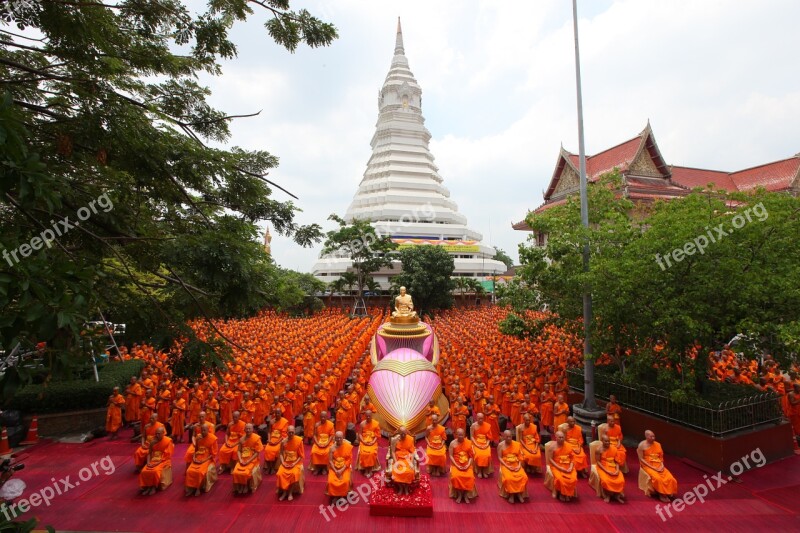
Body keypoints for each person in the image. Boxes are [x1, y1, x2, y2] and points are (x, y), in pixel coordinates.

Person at [637, 430, 678, 503]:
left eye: (654, 436)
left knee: (670, 478)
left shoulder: (658, 444)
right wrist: (653, 468)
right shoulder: (641, 445)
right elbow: (641, 459)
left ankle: (668, 491)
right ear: (646, 437)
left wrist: (662, 466)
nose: (653, 438)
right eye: (651, 436)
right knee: (657, 478)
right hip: (648, 466)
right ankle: (661, 494)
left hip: (659, 465)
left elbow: (661, 457)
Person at [184, 423, 218, 497]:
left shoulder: (213, 439)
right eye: (202, 430)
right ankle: (190, 488)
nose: (203, 432)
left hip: (207, 458)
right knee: (189, 471)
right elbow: (196, 450)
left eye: (204, 430)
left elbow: (213, 454)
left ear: (208, 430)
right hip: (198, 457)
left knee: (199, 472)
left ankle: (198, 488)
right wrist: (194, 458)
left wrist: (204, 460)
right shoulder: (198, 437)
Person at [138, 426, 174, 496]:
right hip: (153, 459)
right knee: (144, 471)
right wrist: (148, 462)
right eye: (156, 433)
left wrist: (155, 464)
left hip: (163, 460)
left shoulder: (168, 441)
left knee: (155, 471)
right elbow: (149, 453)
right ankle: (147, 487)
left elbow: (167, 456)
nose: (157, 435)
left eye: (159, 434)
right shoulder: (153, 441)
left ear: (163, 433)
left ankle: (153, 487)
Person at [545, 430, 577, 502]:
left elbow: (572, 458)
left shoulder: (568, 446)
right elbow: (550, 459)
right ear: (556, 437)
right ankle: (562, 494)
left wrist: (571, 467)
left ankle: (567, 494)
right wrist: (560, 468)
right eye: (560, 437)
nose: (561, 439)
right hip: (556, 466)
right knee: (560, 479)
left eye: (563, 437)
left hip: (568, 465)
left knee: (573, 478)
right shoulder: (552, 447)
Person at [497, 430, 528, 504]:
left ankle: (519, 493)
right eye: (507, 437)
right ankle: (511, 495)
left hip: (516, 463)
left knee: (524, 477)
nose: (509, 438)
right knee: (509, 478)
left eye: (510, 436)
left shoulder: (517, 444)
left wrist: (519, 466)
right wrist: (507, 466)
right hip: (506, 464)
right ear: (503, 437)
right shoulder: (500, 445)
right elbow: (500, 457)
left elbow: (520, 457)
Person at [232, 423, 263, 494]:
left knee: (245, 472)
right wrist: (240, 460)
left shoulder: (256, 438)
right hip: (242, 459)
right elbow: (239, 450)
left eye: (250, 429)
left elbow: (257, 452)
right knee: (236, 472)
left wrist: (248, 461)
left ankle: (245, 485)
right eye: (247, 429)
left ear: (252, 430)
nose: (248, 430)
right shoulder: (242, 439)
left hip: (252, 459)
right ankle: (240, 486)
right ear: (244, 429)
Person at [593, 434, 625, 503]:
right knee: (606, 480)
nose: (608, 443)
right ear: (602, 441)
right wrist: (606, 471)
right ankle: (608, 495)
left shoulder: (613, 448)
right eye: (606, 441)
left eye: (609, 441)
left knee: (620, 479)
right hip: (602, 467)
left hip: (613, 466)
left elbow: (616, 461)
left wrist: (617, 470)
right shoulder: (598, 450)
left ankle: (617, 494)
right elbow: (598, 462)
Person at [276, 426, 305, 501]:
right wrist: (282, 463)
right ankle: (284, 492)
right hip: (285, 462)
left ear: (294, 432)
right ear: (287, 433)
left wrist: (294, 463)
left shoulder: (299, 440)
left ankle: (290, 493)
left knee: (293, 474)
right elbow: (281, 454)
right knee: (280, 473)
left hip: (296, 463)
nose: (291, 434)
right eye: (289, 432)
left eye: (292, 432)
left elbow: (301, 456)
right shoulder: (283, 442)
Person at [448, 428, 477, 504]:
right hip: (456, 464)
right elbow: (451, 456)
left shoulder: (468, 443)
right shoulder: (452, 443)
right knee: (455, 477)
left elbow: (471, 456)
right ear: (456, 435)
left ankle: (465, 494)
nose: (460, 436)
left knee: (470, 477)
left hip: (466, 464)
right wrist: (456, 465)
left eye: (462, 435)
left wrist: (468, 465)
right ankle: (460, 494)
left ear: (464, 435)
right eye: (459, 435)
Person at [389, 426, 417, 495]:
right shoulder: (395, 440)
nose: (403, 435)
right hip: (398, 458)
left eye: (404, 433)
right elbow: (392, 451)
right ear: (399, 433)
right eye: (402, 434)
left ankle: (406, 487)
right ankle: (401, 487)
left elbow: (413, 452)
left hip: (407, 458)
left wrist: (411, 462)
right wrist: (396, 462)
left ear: (406, 432)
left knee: (409, 471)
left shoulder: (410, 439)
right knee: (397, 471)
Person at [326, 431, 353, 504]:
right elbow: (330, 461)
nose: (338, 440)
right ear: (335, 438)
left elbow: (348, 460)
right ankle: (335, 495)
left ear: (343, 438)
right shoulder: (332, 448)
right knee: (331, 481)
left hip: (344, 467)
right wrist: (336, 471)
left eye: (340, 438)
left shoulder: (348, 446)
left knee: (345, 480)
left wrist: (341, 470)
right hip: (334, 468)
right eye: (337, 438)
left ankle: (341, 496)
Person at [264, 407, 289, 475]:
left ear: (281, 413)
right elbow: (269, 432)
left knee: (276, 450)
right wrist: (269, 440)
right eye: (276, 413)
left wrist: (276, 442)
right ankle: (269, 467)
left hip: (280, 440)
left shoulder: (285, 421)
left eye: (278, 413)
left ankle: (273, 467)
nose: (277, 414)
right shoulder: (272, 421)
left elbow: (284, 435)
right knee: (267, 449)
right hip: (272, 439)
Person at [356, 410, 382, 476]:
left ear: (371, 416)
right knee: (364, 453)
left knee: (371, 453)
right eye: (367, 416)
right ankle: (365, 469)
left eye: (369, 416)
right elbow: (360, 434)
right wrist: (363, 441)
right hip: (364, 441)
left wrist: (372, 442)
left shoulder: (376, 423)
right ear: (365, 416)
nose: (368, 417)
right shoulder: (362, 424)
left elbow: (377, 435)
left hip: (372, 442)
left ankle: (370, 469)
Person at [310, 411, 335, 475]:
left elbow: (332, 435)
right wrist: (317, 443)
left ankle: (324, 467)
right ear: (319, 417)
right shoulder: (317, 425)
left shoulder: (330, 424)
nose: (323, 418)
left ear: (327, 417)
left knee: (327, 452)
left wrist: (327, 443)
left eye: (324, 417)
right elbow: (314, 435)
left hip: (328, 442)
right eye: (321, 417)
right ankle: (317, 467)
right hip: (319, 441)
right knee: (314, 451)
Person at [470, 413, 493, 478]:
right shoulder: (473, 426)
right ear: (476, 418)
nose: (480, 420)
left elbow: (489, 438)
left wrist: (486, 445)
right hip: (476, 443)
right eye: (479, 418)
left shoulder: (487, 426)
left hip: (485, 443)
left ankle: (485, 471)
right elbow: (472, 437)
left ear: (484, 418)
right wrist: (477, 444)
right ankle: (479, 471)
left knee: (487, 455)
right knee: (478, 455)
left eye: (482, 418)